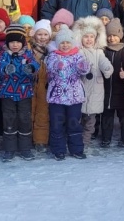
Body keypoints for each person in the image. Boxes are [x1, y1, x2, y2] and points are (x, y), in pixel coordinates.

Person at [0, 24, 40, 162]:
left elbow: (36, 65)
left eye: (18, 42)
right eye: (12, 42)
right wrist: (5, 68)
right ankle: (9, 149)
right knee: (9, 119)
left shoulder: (28, 54)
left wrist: (31, 68)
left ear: (23, 43)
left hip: (24, 93)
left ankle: (25, 148)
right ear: (7, 43)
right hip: (7, 94)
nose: (15, 45)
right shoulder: (3, 55)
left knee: (24, 119)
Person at [45, 25, 91, 160]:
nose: (65, 45)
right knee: (57, 124)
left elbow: (84, 70)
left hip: (74, 97)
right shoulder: (53, 56)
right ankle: (58, 150)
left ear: (72, 43)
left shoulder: (77, 55)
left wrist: (83, 66)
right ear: (58, 44)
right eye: (62, 43)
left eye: (67, 42)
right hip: (57, 97)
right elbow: (50, 69)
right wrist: (56, 66)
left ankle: (76, 149)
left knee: (74, 123)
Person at [73, 16, 114, 148]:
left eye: (92, 36)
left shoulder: (99, 53)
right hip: (81, 90)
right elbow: (76, 66)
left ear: (96, 38)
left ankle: (85, 142)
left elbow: (104, 63)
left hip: (95, 91)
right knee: (77, 119)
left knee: (90, 122)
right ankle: (76, 141)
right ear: (80, 38)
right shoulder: (78, 52)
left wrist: (107, 68)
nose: (89, 39)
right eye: (86, 37)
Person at [101, 18, 124, 148]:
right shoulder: (104, 51)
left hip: (122, 90)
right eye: (109, 36)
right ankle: (106, 138)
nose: (112, 39)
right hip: (107, 90)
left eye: (114, 36)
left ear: (120, 35)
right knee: (107, 117)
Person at [30, 19, 52, 152]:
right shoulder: (29, 50)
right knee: (29, 112)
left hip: (45, 86)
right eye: (39, 34)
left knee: (43, 113)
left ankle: (41, 140)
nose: (42, 37)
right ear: (34, 35)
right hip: (31, 85)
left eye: (45, 34)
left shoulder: (52, 51)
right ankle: (28, 137)